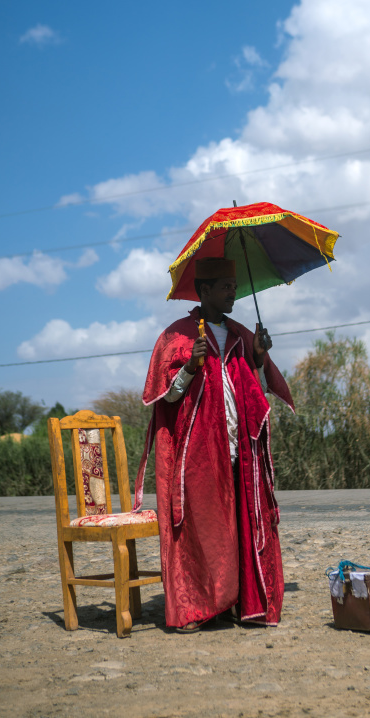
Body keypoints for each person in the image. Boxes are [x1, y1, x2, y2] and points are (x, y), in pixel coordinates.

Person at [133, 257, 295, 632]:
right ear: (204, 291)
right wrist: (190, 366)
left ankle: (238, 602)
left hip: (239, 447)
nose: (232, 293)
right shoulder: (176, 337)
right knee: (203, 530)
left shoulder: (240, 334)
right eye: (225, 287)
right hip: (199, 454)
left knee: (240, 524)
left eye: (234, 286)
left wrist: (257, 357)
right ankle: (198, 608)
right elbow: (166, 400)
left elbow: (251, 387)